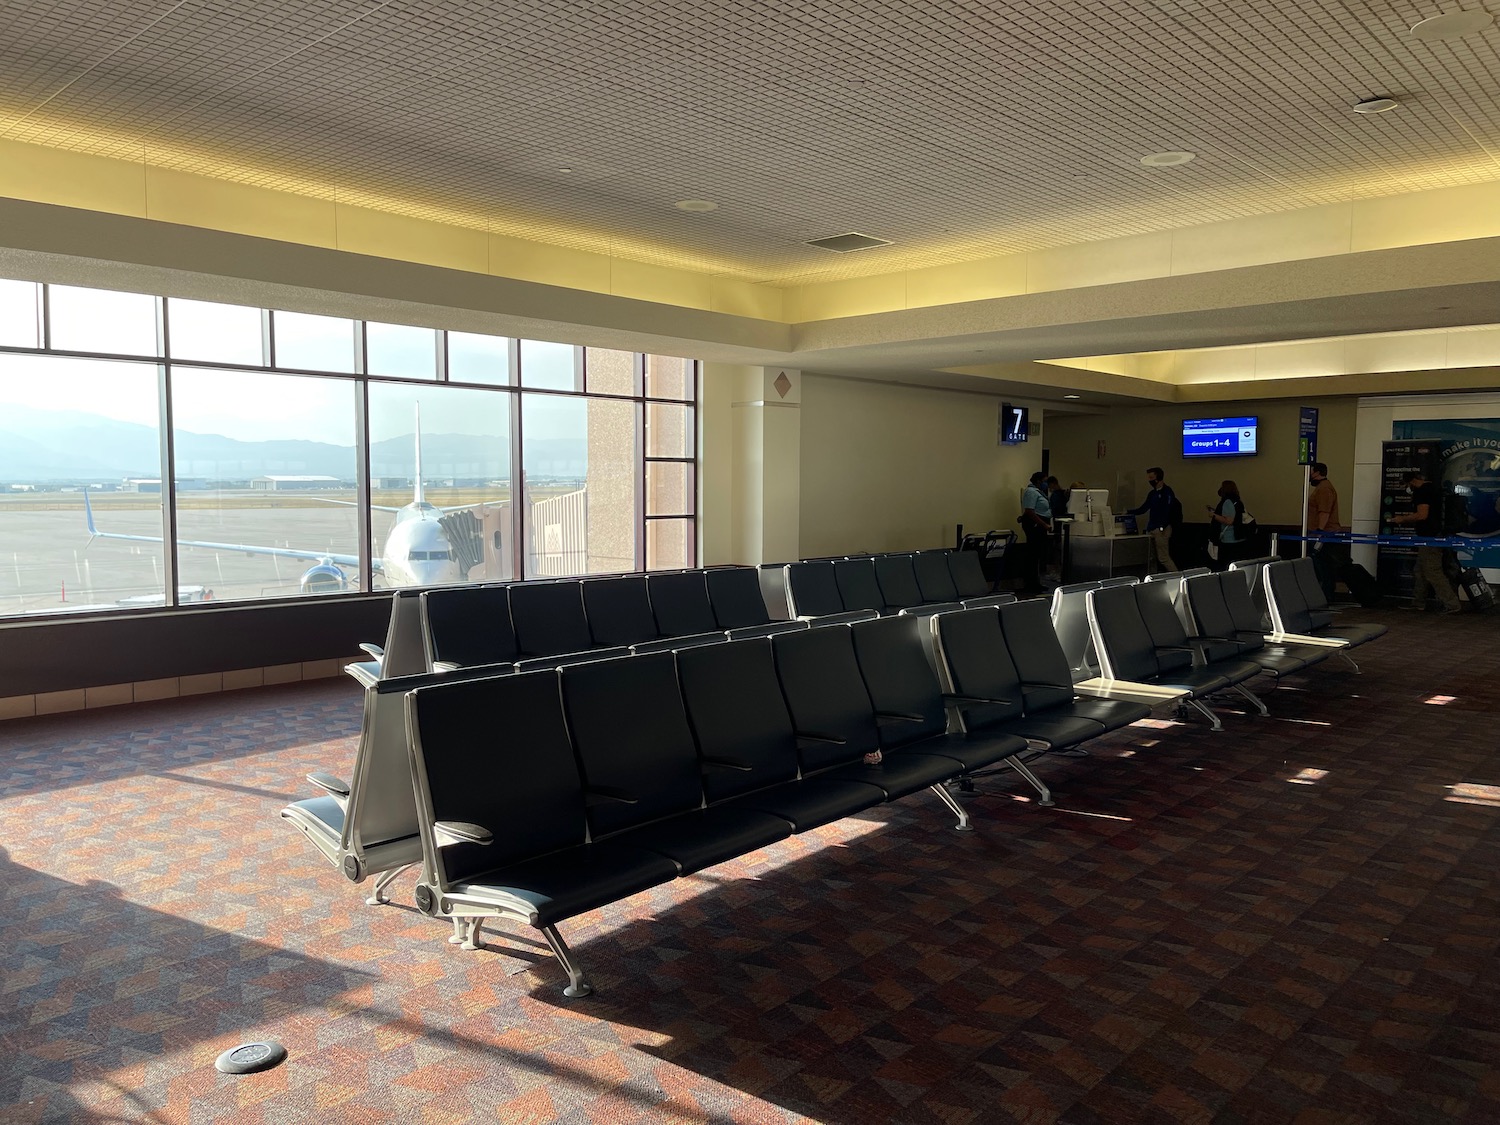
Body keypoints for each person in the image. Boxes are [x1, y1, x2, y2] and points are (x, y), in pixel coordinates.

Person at [1390, 471, 1460, 615]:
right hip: (1435, 534)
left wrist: (1402, 519)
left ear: (1411, 482)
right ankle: (1418, 603)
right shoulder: (1433, 488)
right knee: (1420, 571)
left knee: (1432, 572)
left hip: (1429, 536)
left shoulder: (1421, 492)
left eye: (1406, 485)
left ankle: (1452, 604)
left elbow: (1422, 515)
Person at [1306, 462, 1347, 601]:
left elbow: (1324, 512)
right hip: (1323, 533)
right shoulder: (1323, 488)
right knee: (1323, 565)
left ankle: (1325, 596)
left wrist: (1319, 532)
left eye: (1311, 471)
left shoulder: (1324, 489)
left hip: (1324, 533)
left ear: (1317, 473)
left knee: (1323, 566)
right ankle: (1324, 594)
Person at [1126, 466, 1179, 573]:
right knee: (1151, 559)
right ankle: (1152, 578)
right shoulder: (1152, 494)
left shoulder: (1167, 492)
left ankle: (1177, 577)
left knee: (1163, 557)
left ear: (1158, 477)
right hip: (1152, 528)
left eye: (1151, 477)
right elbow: (1144, 508)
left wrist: (1162, 526)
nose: (1149, 480)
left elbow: (1167, 510)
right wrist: (1129, 512)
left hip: (1162, 529)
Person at [1019, 471, 1051, 595]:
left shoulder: (1038, 492)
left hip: (1039, 524)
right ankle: (1031, 583)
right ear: (1038, 481)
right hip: (1035, 525)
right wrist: (1044, 524)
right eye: (1045, 481)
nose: (1046, 484)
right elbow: (1030, 511)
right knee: (1032, 554)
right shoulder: (1031, 492)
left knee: (1037, 554)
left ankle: (1035, 582)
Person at [1205, 480, 1246, 571]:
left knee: (1224, 565)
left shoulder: (1227, 502)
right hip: (1238, 537)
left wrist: (1214, 515)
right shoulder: (1237, 501)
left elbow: (1229, 520)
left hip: (1228, 539)